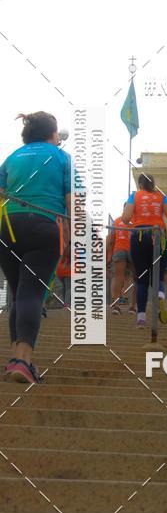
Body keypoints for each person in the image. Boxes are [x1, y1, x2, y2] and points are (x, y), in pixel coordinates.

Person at [0, 112, 71, 383]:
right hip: (44, 226)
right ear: (53, 135)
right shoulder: (62, 157)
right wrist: (75, 238)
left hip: (7, 226)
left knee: (18, 294)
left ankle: (15, 359)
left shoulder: (12, 157)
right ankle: (23, 361)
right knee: (31, 293)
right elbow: (72, 200)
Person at [122, 174, 167, 328]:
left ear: (140, 184)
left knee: (141, 279)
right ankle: (160, 294)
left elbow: (126, 217)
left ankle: (141, 318)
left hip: (140, 235)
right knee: (159, 273)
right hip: (159, 236)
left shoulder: (134, 195)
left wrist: (132, 220)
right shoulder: (162, 196)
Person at [106, 214, 136, 313]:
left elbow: (110, 240)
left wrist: (109, 256)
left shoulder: (117, 221)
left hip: (118, 249)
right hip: (132, 250)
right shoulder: (136, 220)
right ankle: (132, 307)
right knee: (135, 278)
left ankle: (116, 305)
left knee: (117, 277)